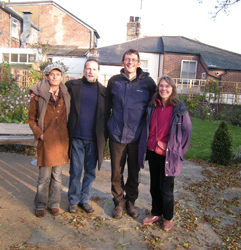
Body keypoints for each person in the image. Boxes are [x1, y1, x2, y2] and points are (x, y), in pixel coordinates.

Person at [138, 75, 192, 231]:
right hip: (153, 152)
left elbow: (187, 131)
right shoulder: (153, 105)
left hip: (170, 155)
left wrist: (177, 151)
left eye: (167, 86)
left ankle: (168, 217)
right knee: (154, 186)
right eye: (161, 86)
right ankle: (156, 213)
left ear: (172, 89)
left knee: (166, 189)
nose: (164, 89)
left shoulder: (179, 107)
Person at [107, 49, 156, 219]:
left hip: (137, 137)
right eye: (127, 59)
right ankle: (119, 203)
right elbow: (106, 105)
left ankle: (130, 202)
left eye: (133, 59)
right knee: (116, 172)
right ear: (122, 62)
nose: (130, 62)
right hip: (117, 136)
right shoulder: (114, 82)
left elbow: (159, 103)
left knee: (134, 173)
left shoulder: (148, 84)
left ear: (139, 63)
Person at [65, 59, 109, 214]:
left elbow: (107, 116)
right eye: (88, 69)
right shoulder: (72, 86)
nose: (91, 71)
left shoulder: (104, 92)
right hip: (76, 137)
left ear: (98, 72)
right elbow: (53, 88)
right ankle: (73, 200)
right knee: (76, 171)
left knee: (90, 172)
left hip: (94, 140)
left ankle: (84, 200)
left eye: (94, 69)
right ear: (84, 70)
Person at [28, 63, 71, 218]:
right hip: (45, 142)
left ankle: (54, 203)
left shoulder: (66, 93)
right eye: (51, 74)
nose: (54, 77)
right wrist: (40, 134)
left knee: (57, 176)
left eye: (58, 74)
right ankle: (40, 204)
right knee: (44, 177)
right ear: (46, 76)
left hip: (61, 142)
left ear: (61, 77)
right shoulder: (37, 95)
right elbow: (31, 120)